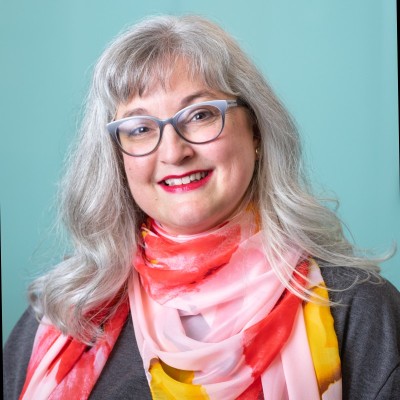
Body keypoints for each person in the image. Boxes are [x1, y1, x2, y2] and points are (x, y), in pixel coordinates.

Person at [3, 14, 400, 400]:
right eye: (140, 128)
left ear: (256, 131)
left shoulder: (357, 310)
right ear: (117, 160)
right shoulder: (67, 313)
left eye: (200, 115)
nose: (174, 151)